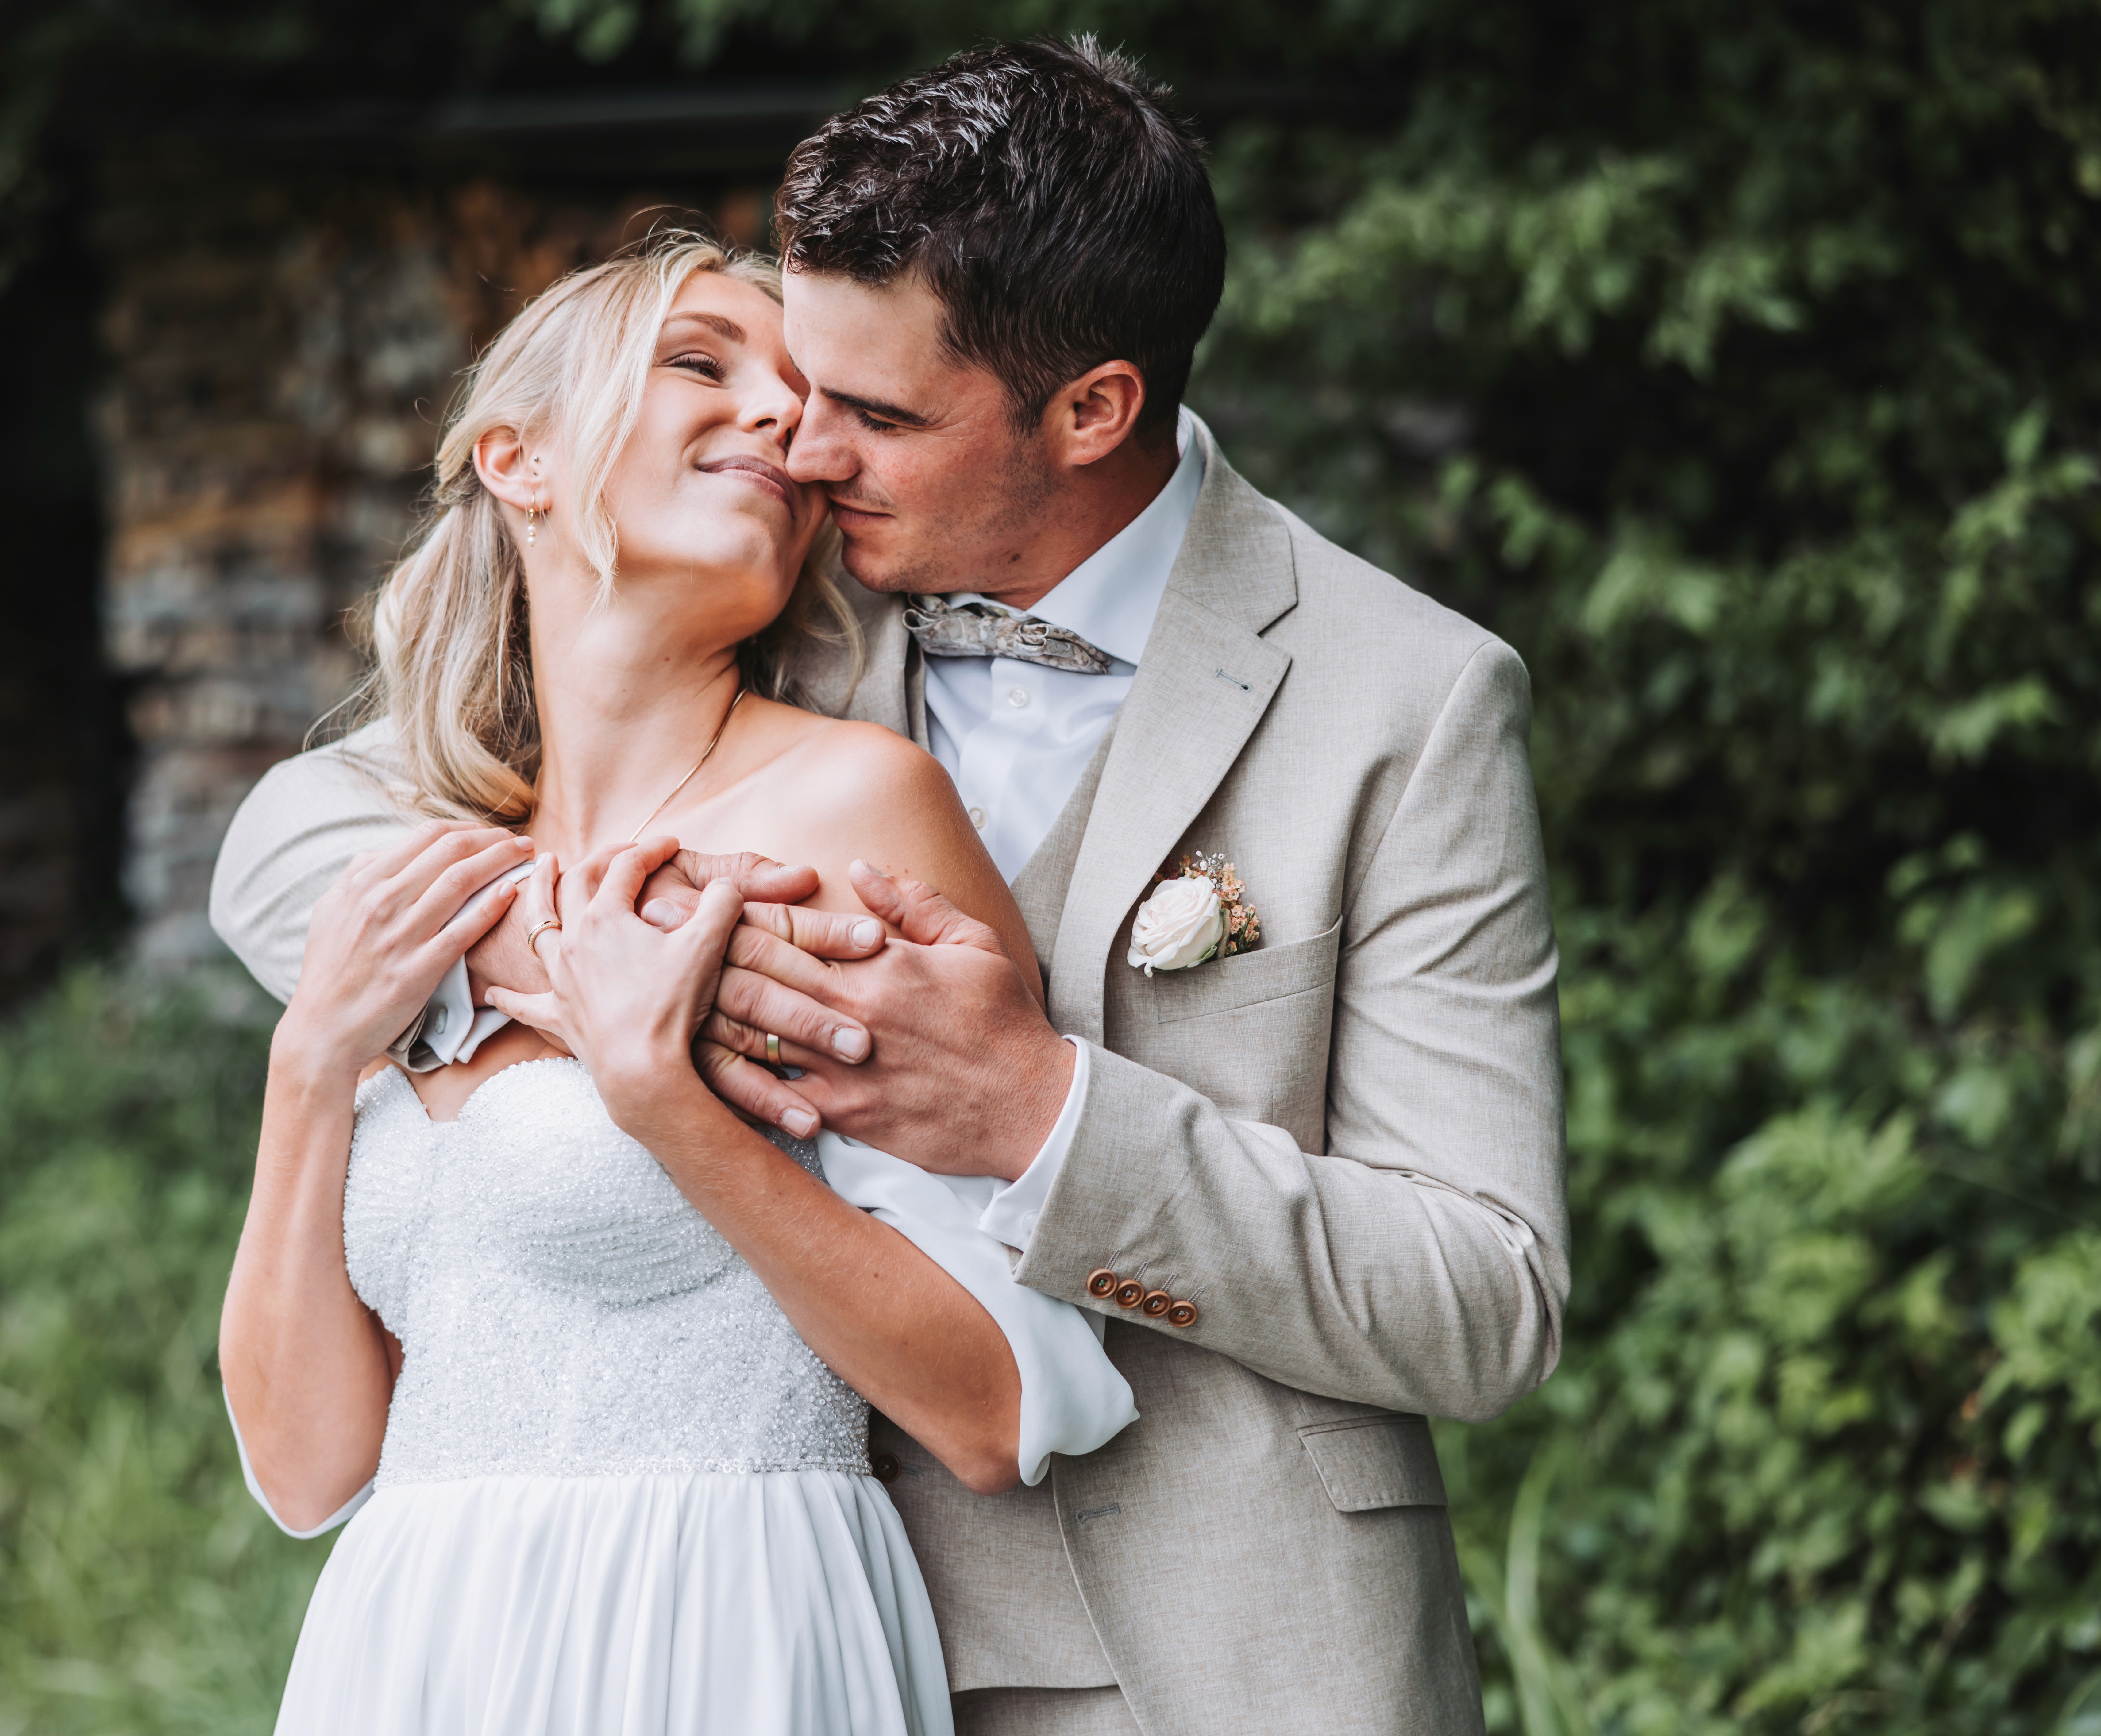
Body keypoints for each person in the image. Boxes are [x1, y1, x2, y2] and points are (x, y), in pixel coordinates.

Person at [216, 37, 1568, 1736]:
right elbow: (291, 841)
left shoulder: (1401, 698)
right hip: (796, 1636)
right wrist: (599, 962)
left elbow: (1484, 1299)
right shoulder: (779, 595)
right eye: (788, 379)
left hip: (1224, 1662)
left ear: (1091, 410)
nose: (800, 439)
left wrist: (1042, 1113)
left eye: (871, 413)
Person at [218, 236, 1136, 1736]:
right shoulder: (422, 876)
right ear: (516, 458)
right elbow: (311, 1467)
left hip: (718, 1626)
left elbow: (995, 1404)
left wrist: (664, 1100)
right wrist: (309, 1068)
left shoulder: (855, 811)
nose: (782, 413)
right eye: (701, 362)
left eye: (804, 395)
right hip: (416, 1645)